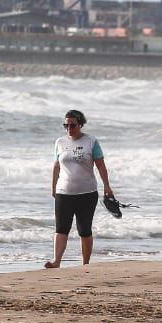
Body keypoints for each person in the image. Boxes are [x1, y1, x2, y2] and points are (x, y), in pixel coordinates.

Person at [46, 109, 114, 270]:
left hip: (87, 193)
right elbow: (56, 166)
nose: (69, 128)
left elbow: (101, 166)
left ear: (80, 124)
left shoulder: (91, 141)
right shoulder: (60, 142)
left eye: (72, 125)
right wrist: (53, 186)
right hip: (64, 192)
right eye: (66, 125)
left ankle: (85, 264)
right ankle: (56, 261)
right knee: (61, 228)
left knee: (84, 229)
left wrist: (107, 186)